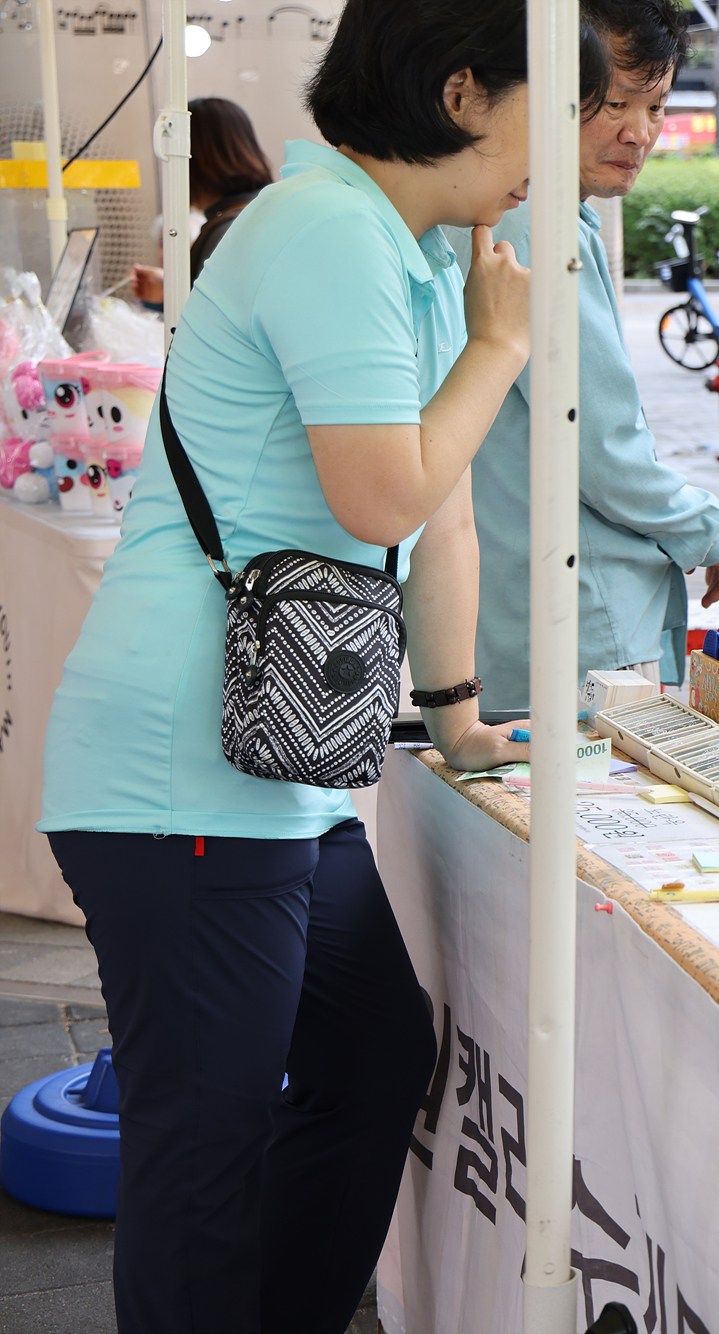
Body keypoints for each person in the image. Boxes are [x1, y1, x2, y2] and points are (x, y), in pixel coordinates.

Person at [38, 1, 535, 1328]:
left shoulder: (397, 246)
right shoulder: (326, 231)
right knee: (203, 1151)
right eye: (556, 105)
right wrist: (499, 349)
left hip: (276, 766)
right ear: (463, 92)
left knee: (370, 1061)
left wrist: (455, 715)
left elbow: (437, 517)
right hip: (184, 773)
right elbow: (384, 496)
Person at [463, 0, 719, 710]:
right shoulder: (534, 219)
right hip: (582, 612)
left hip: (524, 608)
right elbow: (600, 440)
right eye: (616, 102)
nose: (638, 132)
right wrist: (705, 529)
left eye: (657, 106)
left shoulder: (532, 210)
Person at [129, 97, 277, 303]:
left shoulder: (227, 231)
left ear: (194, 159)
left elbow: (216, 316)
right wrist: (173, 289)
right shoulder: (266, 209)